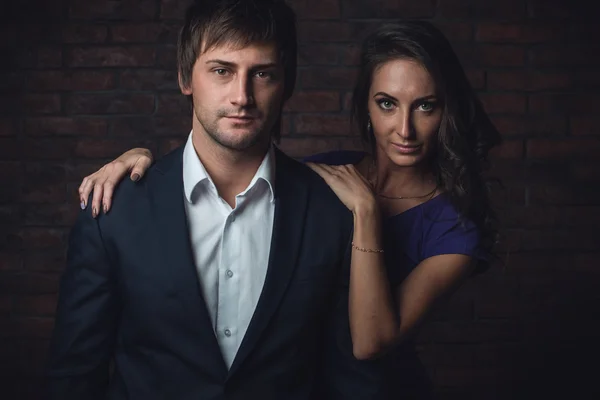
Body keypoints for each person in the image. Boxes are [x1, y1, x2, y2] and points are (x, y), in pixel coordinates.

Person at [75, 20, 502, 397]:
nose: (404, 128)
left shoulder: (454, 230)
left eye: (426, 105)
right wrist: (142, 162)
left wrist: (367, 214)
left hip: (382, 382)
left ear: (446, 110)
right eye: (387, 103)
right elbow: (242, 158)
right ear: (367, 108)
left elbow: (370, 342)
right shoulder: (329, 173)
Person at [46, 1, 385, 399]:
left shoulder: (331, 211)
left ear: (287, 84)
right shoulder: (115, 210)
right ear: (185, 77)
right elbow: (74, 375)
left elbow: (350, 378)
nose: (242, 96)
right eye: (222, 71)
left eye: (262, 74)